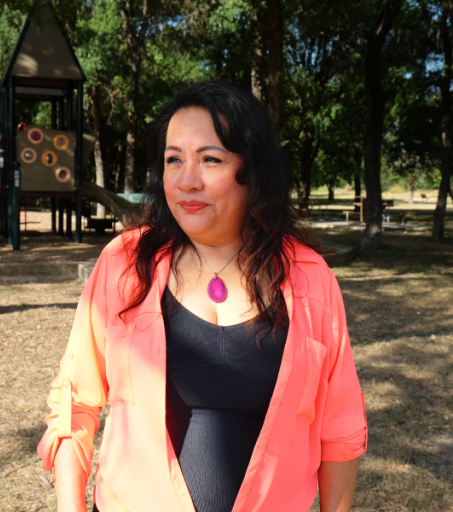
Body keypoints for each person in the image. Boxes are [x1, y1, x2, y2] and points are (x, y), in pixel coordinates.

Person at [37, 81, 367, 512]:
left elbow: (338, 429)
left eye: (210, 159)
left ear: (254, 170)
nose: (187, 181)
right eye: (174, 160)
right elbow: (75, 403)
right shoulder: (123, 263)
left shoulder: (310, 279)